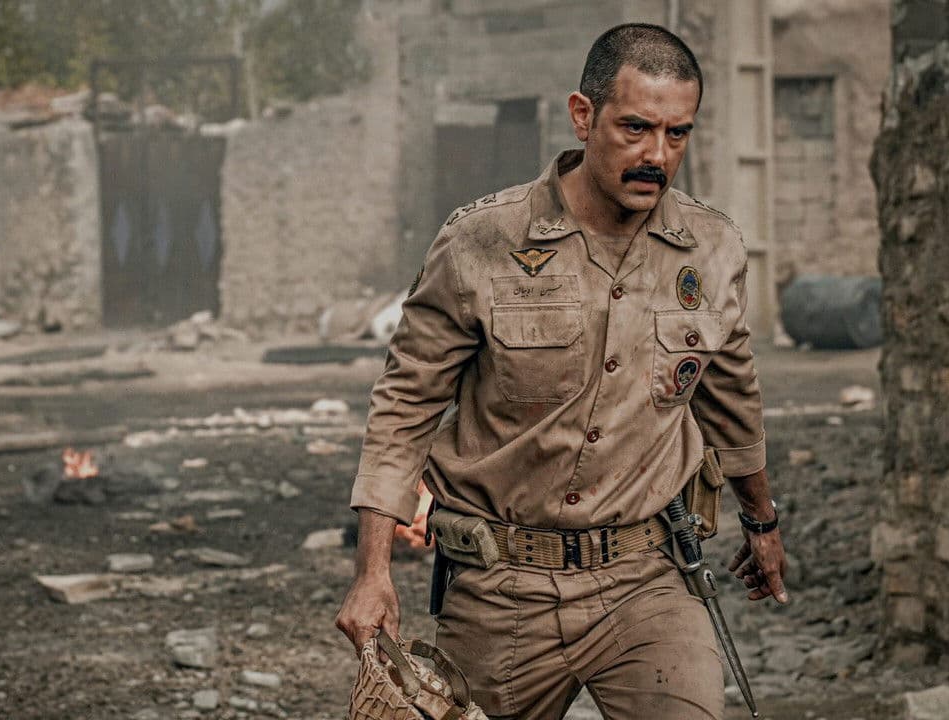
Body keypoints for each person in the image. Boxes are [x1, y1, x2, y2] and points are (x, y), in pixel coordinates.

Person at [336, 23, 788, 720]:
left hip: (646, 580)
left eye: (677, 133)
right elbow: (405, 406)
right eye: (636, 128)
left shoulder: (712, 247)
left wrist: (762, 521)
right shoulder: (482, 240)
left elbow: (731, 397)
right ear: (584, 116)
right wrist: (373, 573)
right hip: (500, 591)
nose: (656, 155)